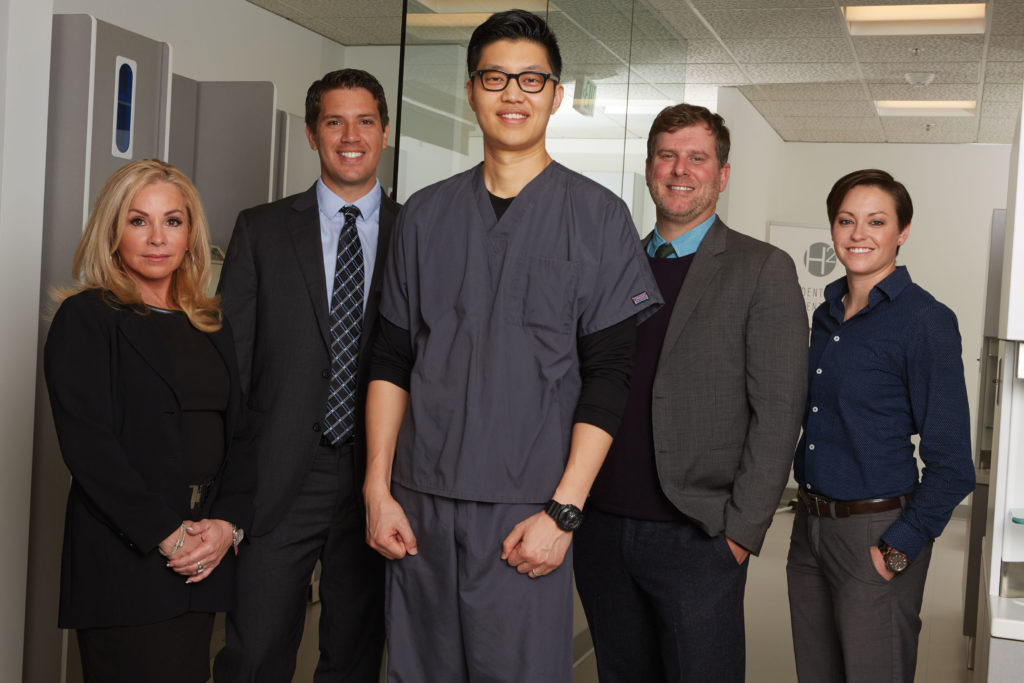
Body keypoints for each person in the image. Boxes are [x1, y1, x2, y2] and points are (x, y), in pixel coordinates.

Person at [363, 9, 661, 683]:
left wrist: (564, 510)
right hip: (420, 503)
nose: (513, 93)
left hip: (527, 508)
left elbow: (611, 375)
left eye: (533, 79)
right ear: (471, 91)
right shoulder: (425, 214)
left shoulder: (597, 217)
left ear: (558, 96)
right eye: (495, 77)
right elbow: (392, 358)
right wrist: (377, 489)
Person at [572, 103, 808, 683]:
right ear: (650, 167)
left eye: (697, 158)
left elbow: (778, 414)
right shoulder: (612, 264)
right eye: (667, 156)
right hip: (600, 527)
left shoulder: (761, 268)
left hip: (698, 536)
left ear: (722, 175)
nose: (680, 170)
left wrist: (738, 535)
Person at [213, 68, 396, 682]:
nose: (351, 135)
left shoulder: (417, 233)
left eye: (365, 121)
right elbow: (231, 365)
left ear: (385, 133)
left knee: (353, 656)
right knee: (255, 650)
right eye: (334, 122)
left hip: (379, 475)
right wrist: (226, 485)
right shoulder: (260, 230)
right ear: (313, 135)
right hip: (277, 474)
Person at [43, 159, 252, 683]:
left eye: (173, 221)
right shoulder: (88, 318)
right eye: (138, 221)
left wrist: (226, 526)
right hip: (128, 557)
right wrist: (167, 535)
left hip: (204, 551)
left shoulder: (209, 322)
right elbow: (89, 446)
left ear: (190, 235)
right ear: (112, 233)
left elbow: (241, 434)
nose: (157, 238)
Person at [786, 169, 975, 682]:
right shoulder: (825, 316)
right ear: (832, 228)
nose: (858, 234)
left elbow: (954, 463)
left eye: (876, 221)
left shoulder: (925, 321)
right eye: (846, 220)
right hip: (808, 531)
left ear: (903, 231)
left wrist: (897, 549)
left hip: (875, 532)